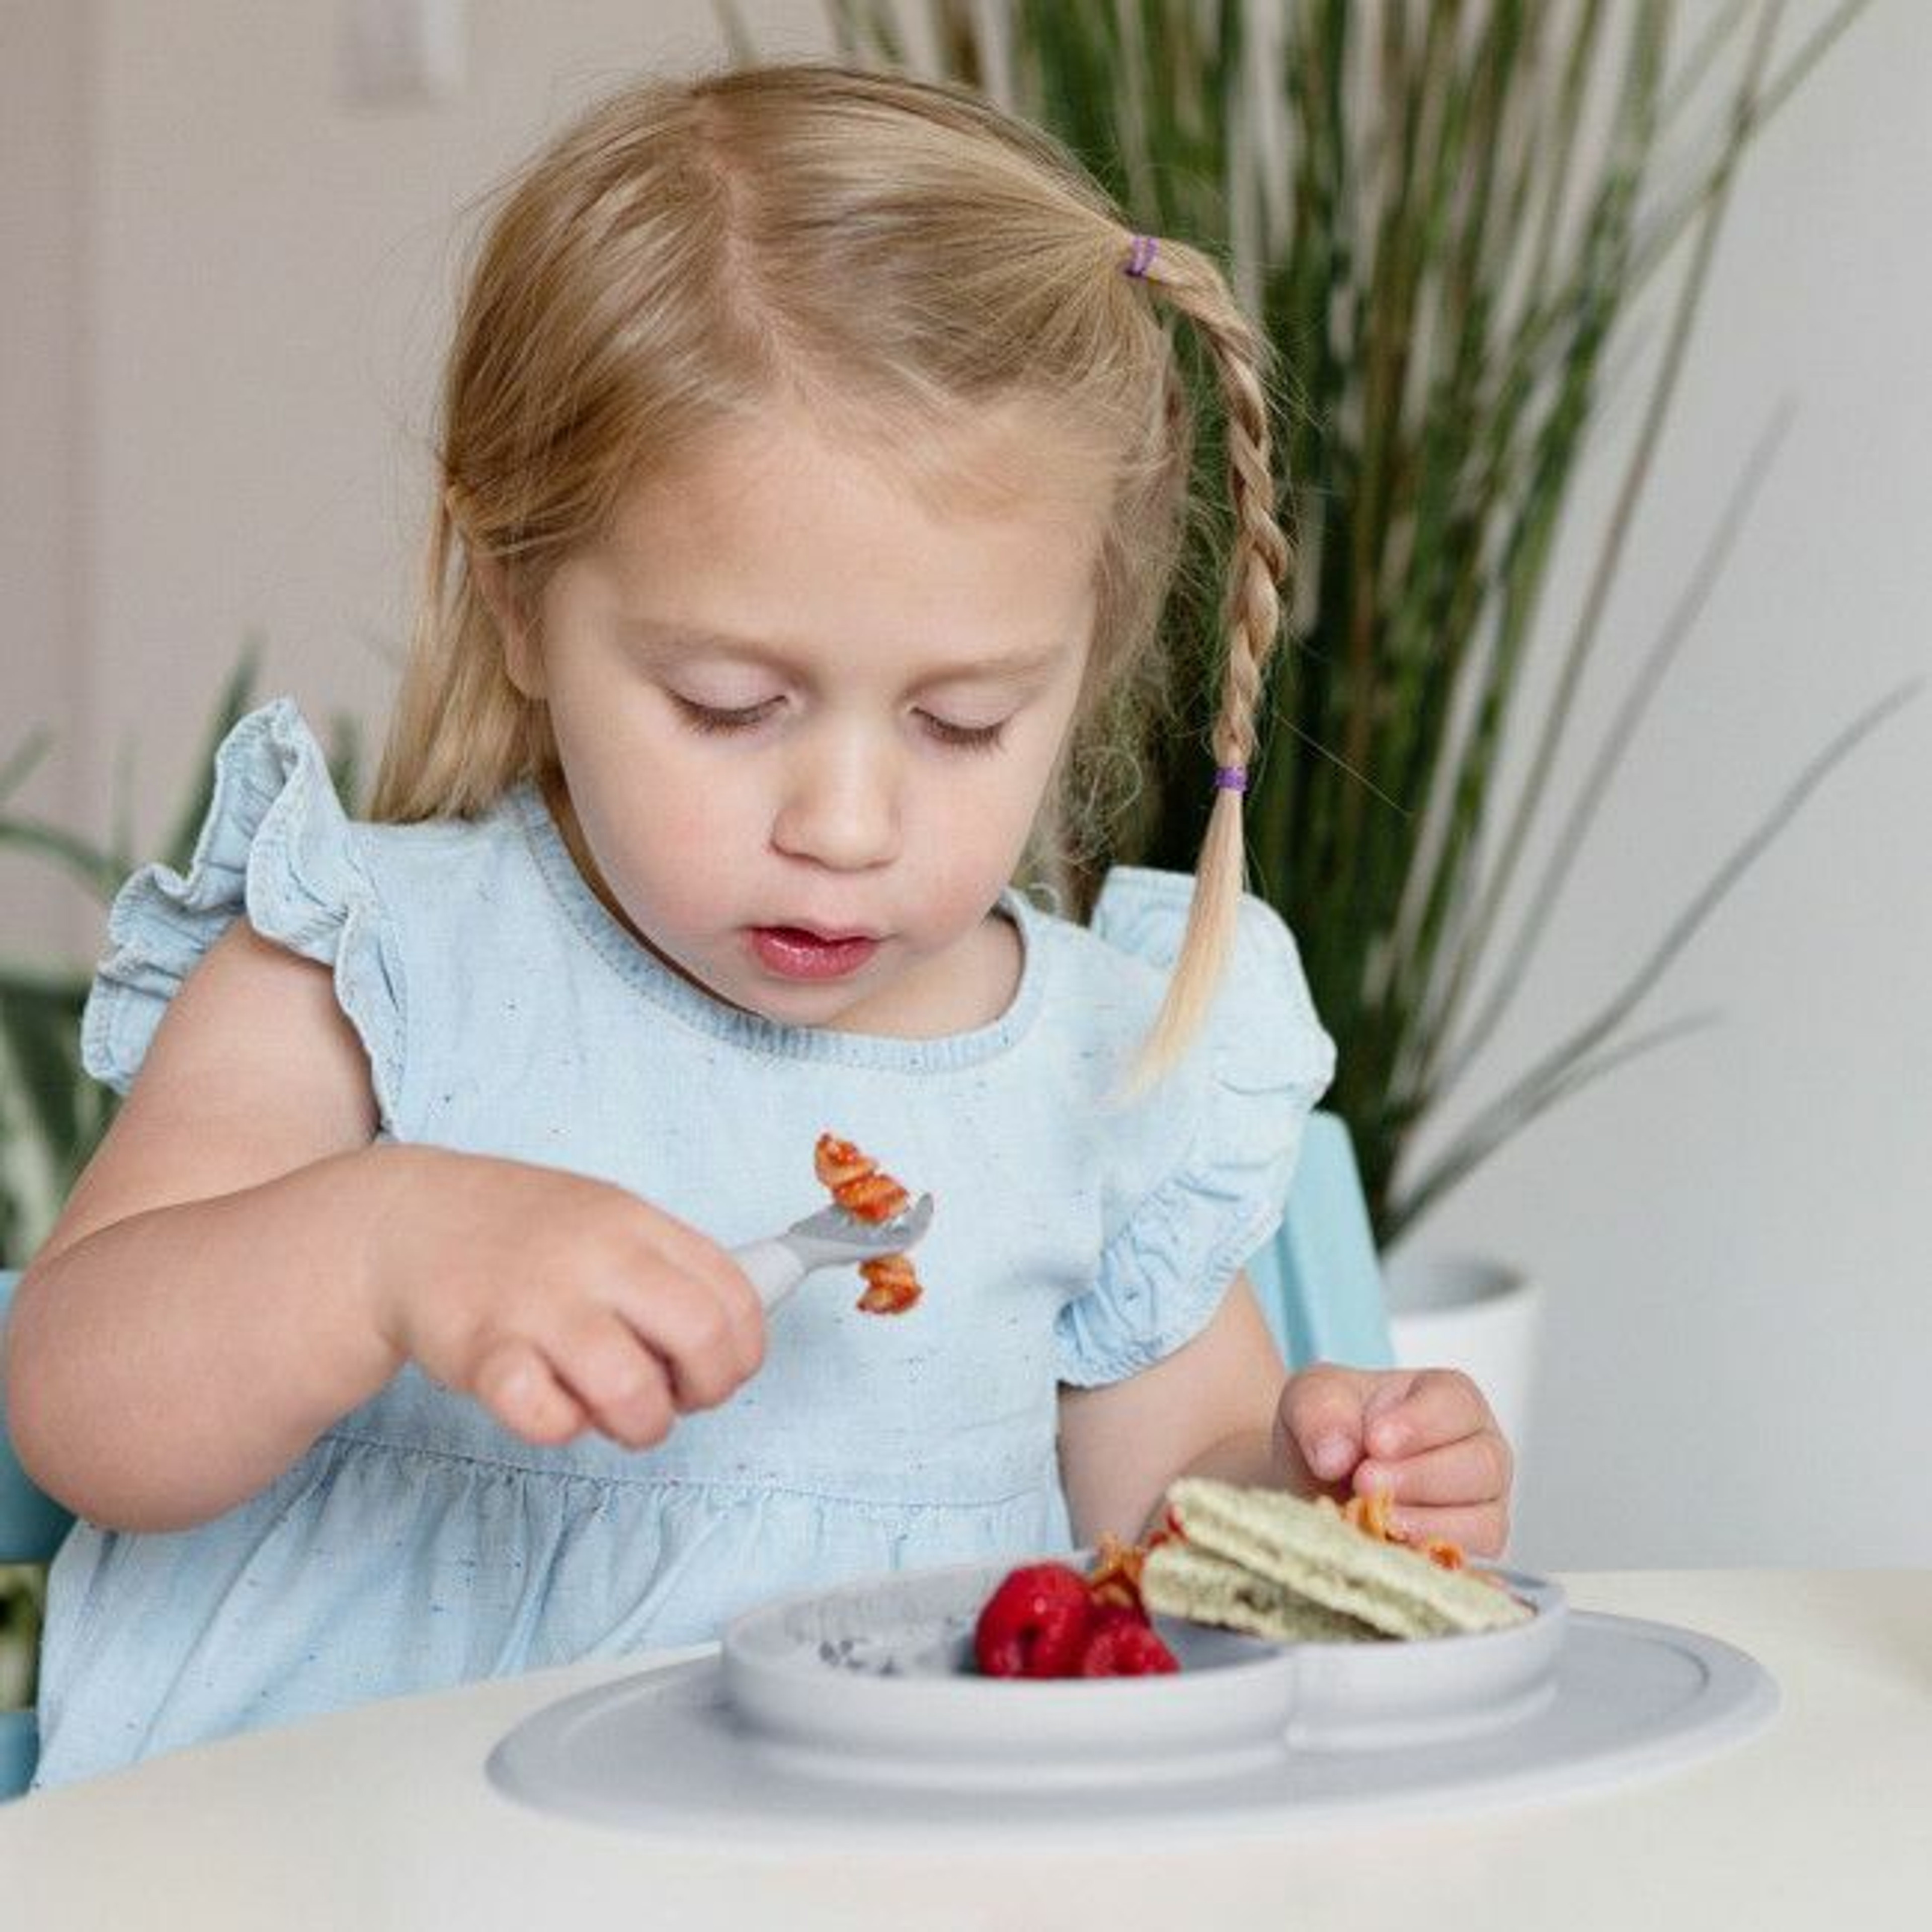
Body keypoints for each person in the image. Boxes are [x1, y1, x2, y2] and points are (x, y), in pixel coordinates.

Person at [4, 63, 1511, 1787]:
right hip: (351, 1865)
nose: (846, 827)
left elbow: (1170, 1523)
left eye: (961, 725)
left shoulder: (1099, 1063)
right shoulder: (368, 972)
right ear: (516, 602)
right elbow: (78, 1404)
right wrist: (375, 1248)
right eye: (729, 704)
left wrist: (1308, 1502)